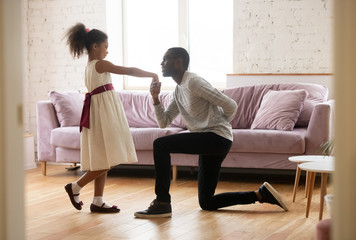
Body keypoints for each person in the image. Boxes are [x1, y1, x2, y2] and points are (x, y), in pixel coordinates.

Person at [134, 47, 288, 218]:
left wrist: (220, 124)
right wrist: (155, 98)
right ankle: (260, 195)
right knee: (207, 202)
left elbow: (231, 105)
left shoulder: (194, 82)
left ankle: (162, 202)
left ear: (178, 62)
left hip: (215, 138)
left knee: (160, 145)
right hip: (209, 140)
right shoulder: (179, 90)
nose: (161, 63)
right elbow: (163, 122)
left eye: (165, 59)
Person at [64, 23, 158, 213]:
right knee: (111, 157)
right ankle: (76, 186)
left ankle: (97, 201)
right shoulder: (100, 64)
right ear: (95, 46)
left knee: (104, 156)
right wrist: (152, 74)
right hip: (104, 113)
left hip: (99, 111)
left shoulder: (89, 66)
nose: (107, 51)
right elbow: (129, 71)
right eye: (105, 46)